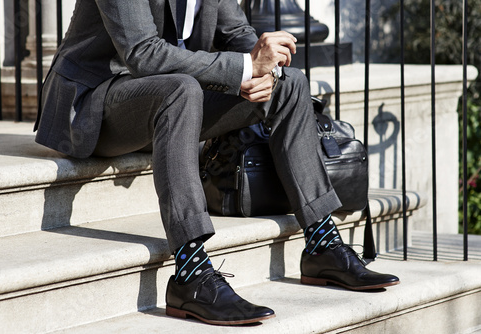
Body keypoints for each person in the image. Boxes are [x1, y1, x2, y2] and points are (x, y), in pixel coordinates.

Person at [34, 0, 399, 326]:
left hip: (167, 100)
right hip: (95, 103)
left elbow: (239, 34)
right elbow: (142, 53)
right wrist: (242, 66)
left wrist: (265, 72)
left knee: (290, 84)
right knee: (181, 89)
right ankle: (190, 272)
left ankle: (321, 244)